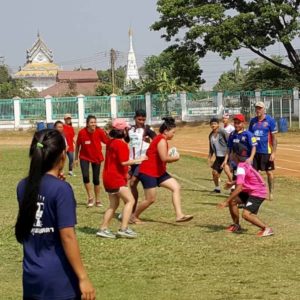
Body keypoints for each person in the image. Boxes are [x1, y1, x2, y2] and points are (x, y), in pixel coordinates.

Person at [15, 129, 96, 300]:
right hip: (59, 281)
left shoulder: (22, 186)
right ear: (63, 155)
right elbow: (67, 236)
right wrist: (83, 277)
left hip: (31, 278)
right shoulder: (61, 189)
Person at [132, 117, 193, 224]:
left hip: (159, 172)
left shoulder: (161, 139)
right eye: (173, 132)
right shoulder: (161, 140)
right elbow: (164, 158)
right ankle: (133, 216)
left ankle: (179, 215)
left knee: (176, 187)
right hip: (148, 172)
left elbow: (160, 156)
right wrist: (175, 158)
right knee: (150, 199)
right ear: (166, 131)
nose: (174, 134)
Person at [97, 119, 147, 239]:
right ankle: (123, 228)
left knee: (113, 204)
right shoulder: (120, 144)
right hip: (115, 178)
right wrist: (140, 159)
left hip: (108, 177)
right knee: (130, 200)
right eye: (126, 129)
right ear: (122, 130)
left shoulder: (111, 142)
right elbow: (124, 162)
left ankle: (103, 228)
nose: (128, 131)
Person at [217, 143, 274, 237]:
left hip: (258, 192)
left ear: (234, 155)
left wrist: (225, 202)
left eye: (231, 153)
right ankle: (236, 225)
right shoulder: (243, 164)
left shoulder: (241, 167)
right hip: (250, 190)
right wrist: (233, 183)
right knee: (233, 201)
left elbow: (239, 188)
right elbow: (245, 179)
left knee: (246, 215)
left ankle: (267, 229)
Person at [125, 109, 156, 214]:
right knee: (126, 183)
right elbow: (127, 140)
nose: (141, 122)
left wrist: (149, 143)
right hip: (132, 161)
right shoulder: (130, 129)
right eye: (139, 119)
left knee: (133, 182)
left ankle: (133, 210)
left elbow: (156, 140)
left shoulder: (148, 129)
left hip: (142, 161)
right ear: (135, 118)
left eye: (143, 119)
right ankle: (130, 207)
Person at [75, 115, 109, 207]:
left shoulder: (100, 131)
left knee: (96, 179)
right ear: (87, 124)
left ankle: (98, 200)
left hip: (96, 157)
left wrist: (109, 135)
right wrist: (76, 158)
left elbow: (107, 142)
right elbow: (78, 145)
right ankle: (90, 198)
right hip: (84, 157)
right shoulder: (82, 132)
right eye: (91, 122)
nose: (93, 124)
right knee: (85, 177)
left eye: (94, 122)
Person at [249, 102, 277, 200]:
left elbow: (274, 138)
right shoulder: (253, 121)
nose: (258, 110)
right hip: (255, 151)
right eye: (256, 108)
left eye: (260, 108)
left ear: (264, 109)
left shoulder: (270, 120)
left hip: (266, 151)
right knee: (254, 173)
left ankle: (271, 192)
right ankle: (257, 191)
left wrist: (273, 153)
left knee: (269, 173)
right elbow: (250, 136)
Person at [208, 117, 232, 193]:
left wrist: (230, 154)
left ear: (218, 124)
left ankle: (233, 187)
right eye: (211, 124)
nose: (213, 125)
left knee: (227, 171)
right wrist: (210, 157)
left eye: (215, 123)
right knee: (214, 172)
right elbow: (211, 148)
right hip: (218, 157)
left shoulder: (222, 132)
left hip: (226, 156)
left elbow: (229, 142)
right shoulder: (210, 135)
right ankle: (217, 188)